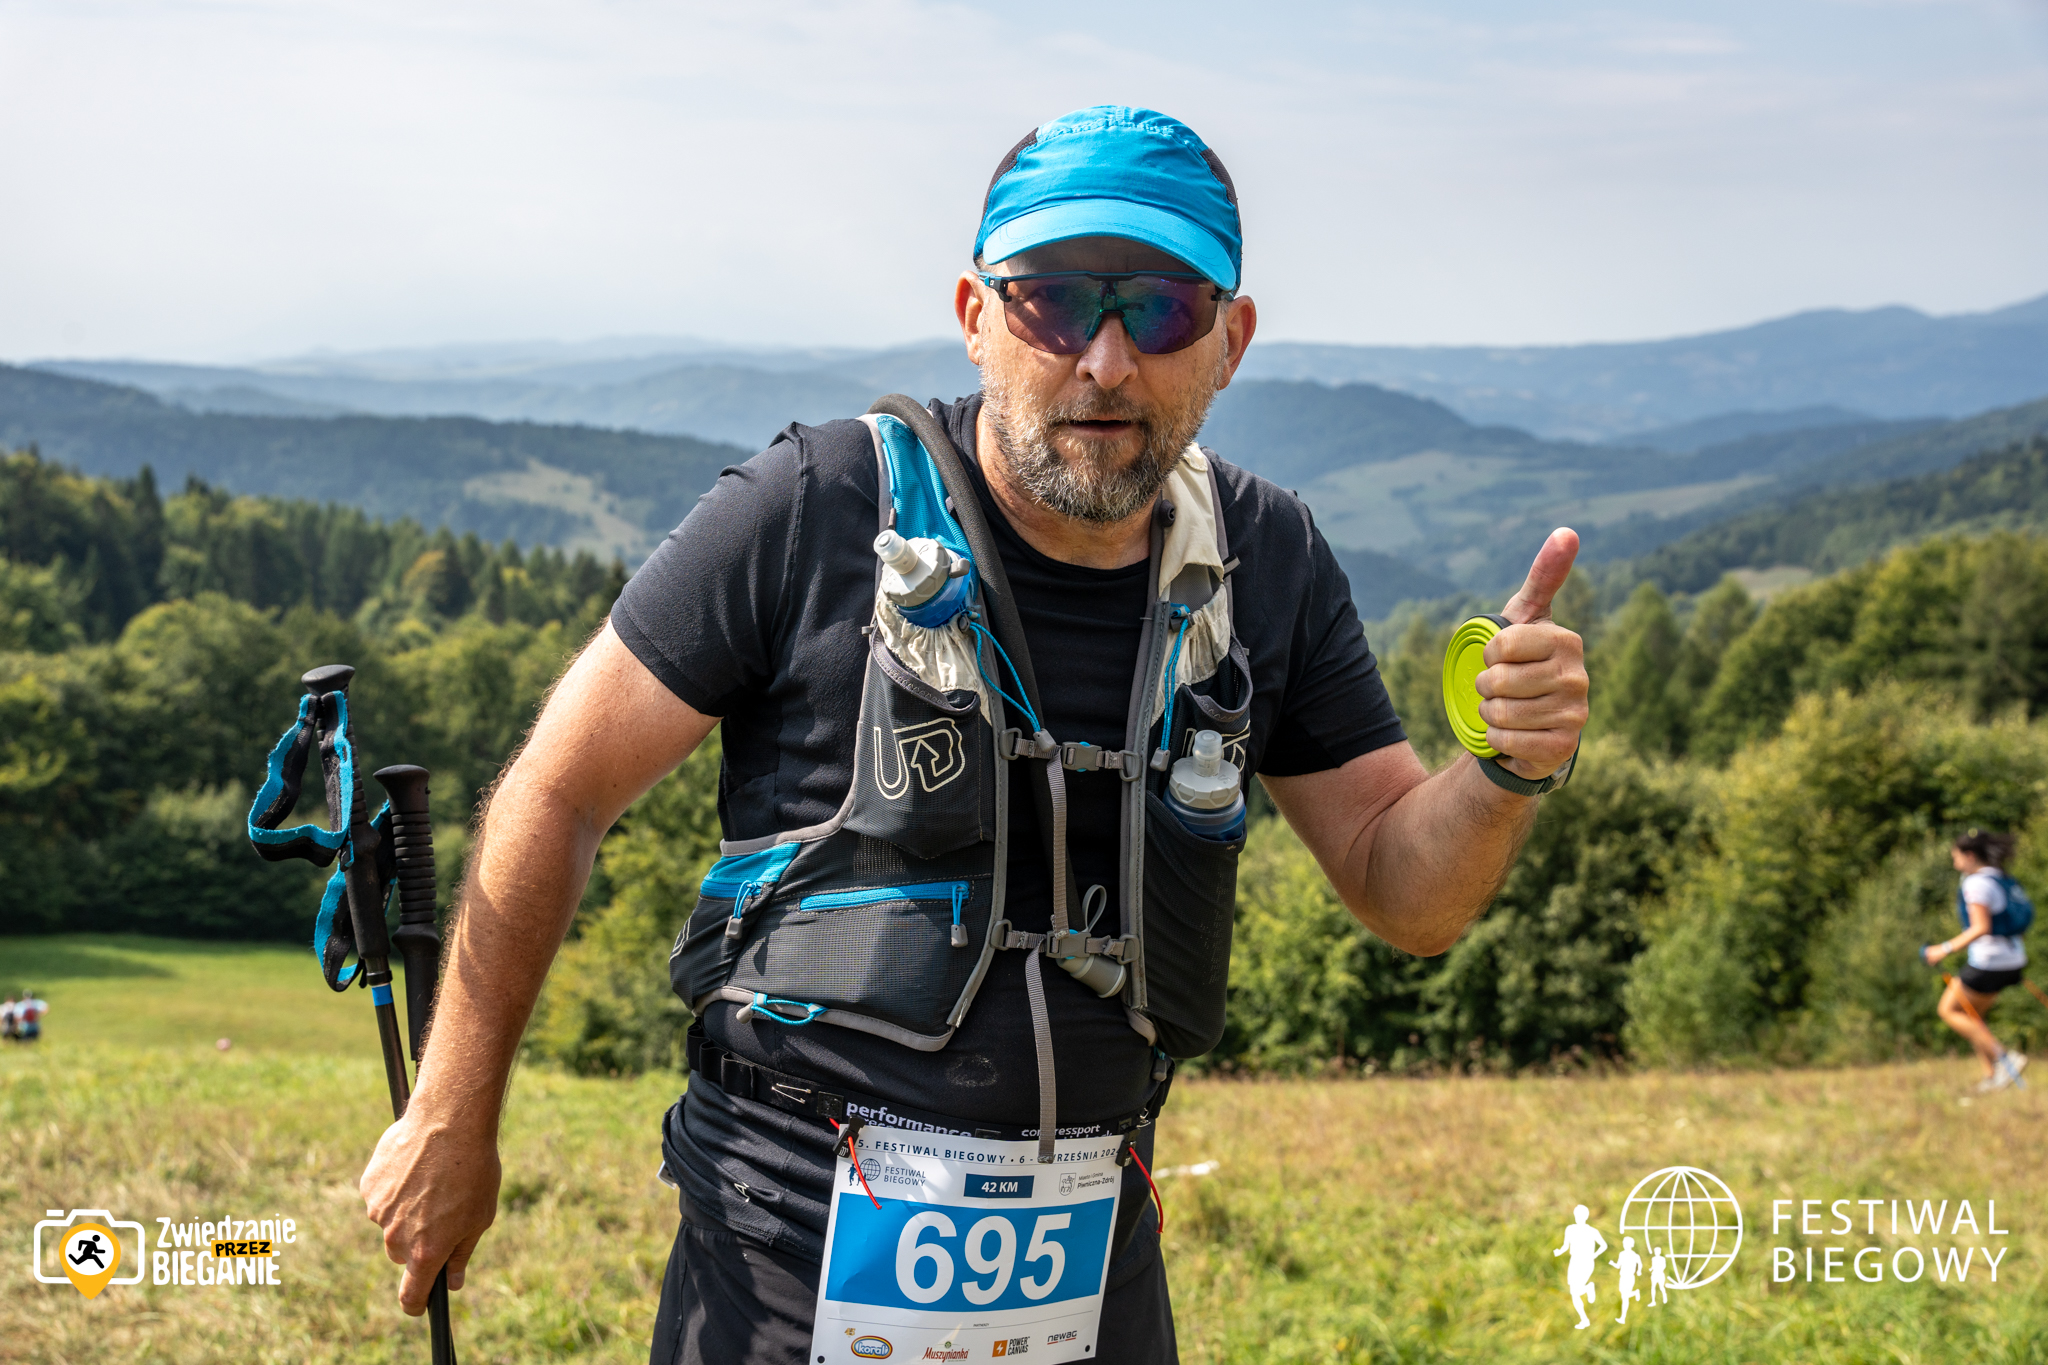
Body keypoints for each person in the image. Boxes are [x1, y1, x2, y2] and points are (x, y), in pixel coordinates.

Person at [358, 104, 1589, 1364]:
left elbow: (1403, 888)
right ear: (974, 315)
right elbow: (556, 790)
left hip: (1095, 1271)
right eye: (1053, 304)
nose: (1105, 361)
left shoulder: (1264, 559)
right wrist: (454, 1112)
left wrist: (1504, 765)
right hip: (779, 1256)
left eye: (1160, 309)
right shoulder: (814, 508)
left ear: (1231, 340)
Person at [1925, 830, 2031, 1092]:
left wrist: (1943, 949)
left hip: (1989, 961)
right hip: (2013, 958)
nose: (1955, 864)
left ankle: (2005, 1058)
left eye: (1956, 857)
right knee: (1974, 1017)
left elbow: (1981, 927)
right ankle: (1992, 1076)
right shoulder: (2000, 877)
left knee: (1949, 1010)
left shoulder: (1976, 883)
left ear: (1970, 856)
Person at [1553, 1206, 1607, 1330]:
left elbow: (1603, 1245)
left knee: (1575, 1292)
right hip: (1575, 1261)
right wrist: (1558, 1252)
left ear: (1586, 1216)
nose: (1579, 1217)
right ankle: (1584, 1319)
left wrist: (1594, 1255)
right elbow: (1565, 1246)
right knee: (1574, 1292)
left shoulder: (1592, 1231)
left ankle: (1588, 1289)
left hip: (1586, 1261)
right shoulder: (1570, 1229)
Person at [1609, 1235, 1643, 1324]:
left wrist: (1612, 1263)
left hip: (1628, 1277)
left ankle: (1623, 1317)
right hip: (1624, 1276)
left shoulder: (1630, 1255)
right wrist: (1639, 1271)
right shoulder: (1624, 1254)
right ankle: (1635, 1293)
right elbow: (1619, 1265)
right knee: (1624, 1295)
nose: (1624, 1245)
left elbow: (1639, 1263)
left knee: (1625, 1297)